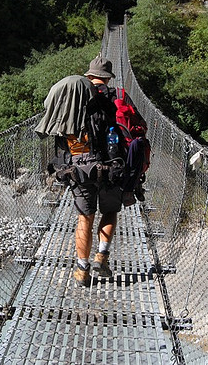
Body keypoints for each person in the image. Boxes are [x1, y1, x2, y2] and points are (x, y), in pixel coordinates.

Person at [35, 56, 142, 287]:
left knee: (85, 218)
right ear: (107, 78)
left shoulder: (69, 98)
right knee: (110, 211)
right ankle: (101, 258)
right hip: (111, 166)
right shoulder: (114, 97)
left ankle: (82, 270)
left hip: (78, 169)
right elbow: (136, 128)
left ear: (88, 75)